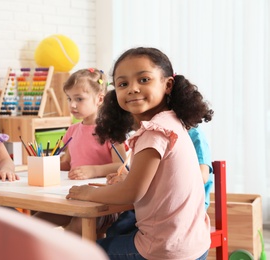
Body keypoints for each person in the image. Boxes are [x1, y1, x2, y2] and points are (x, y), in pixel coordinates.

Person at [66, 47, 213, 260]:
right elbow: (153, 180)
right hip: (194, 244)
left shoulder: (155, 131)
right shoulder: (172, 122)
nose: (133, 89)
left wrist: (87, 193)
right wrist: (128, 178)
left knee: (81, 251)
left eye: (144, 80)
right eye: (123, 84)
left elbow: (132, 193)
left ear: (168, 84)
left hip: (164, 249)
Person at [34, 68, 126, 234]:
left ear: (99, 99)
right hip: (72, 196)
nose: (72, 105)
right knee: (33, 224)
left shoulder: (111, 130)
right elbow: (68, 163)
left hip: (102, 203)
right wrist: (46, 165)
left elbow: (121, 166)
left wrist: (93, 170)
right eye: (69, 98)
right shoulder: (72, 130)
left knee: (74, 231)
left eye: (79, 99)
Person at [105, 125, 214, 237]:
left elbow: (202, 177)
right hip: (156, 203)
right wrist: (130, 177)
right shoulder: (160, 133)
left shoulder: (194, 135)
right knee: (115, 230)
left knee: (117, 232)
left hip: (184, 208)